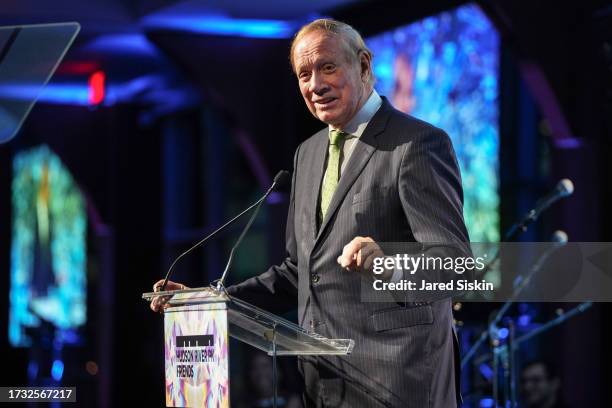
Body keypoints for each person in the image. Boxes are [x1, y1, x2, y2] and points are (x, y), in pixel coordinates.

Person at [153, 18, 469, 407]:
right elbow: (300, 272)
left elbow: (456, 265)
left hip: (399, 381)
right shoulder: (309, 153)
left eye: (328, 67)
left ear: (365, 65)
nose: (315, 85)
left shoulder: (417, 144)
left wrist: (391, 263)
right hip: (323, 383)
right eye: (304, 74)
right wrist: (212, 303)